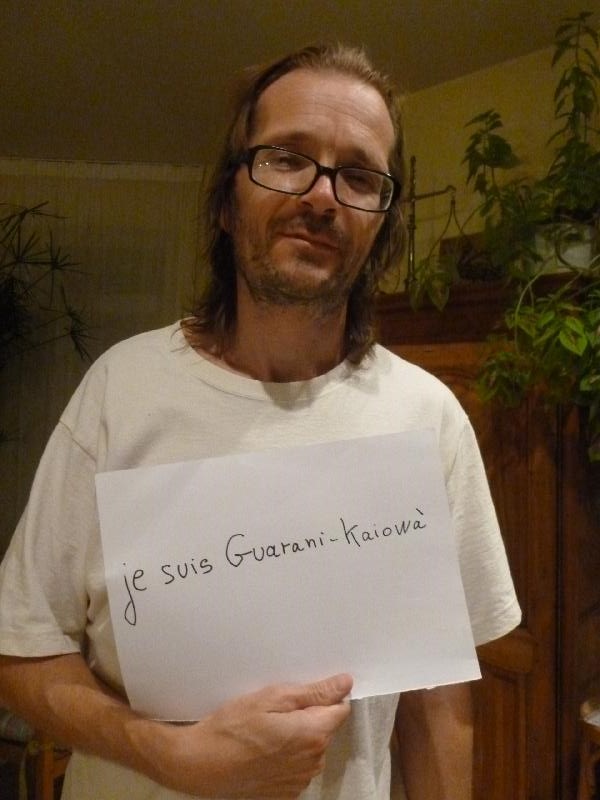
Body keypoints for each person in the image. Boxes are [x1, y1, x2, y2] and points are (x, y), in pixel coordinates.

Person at [0, 43, 520, 800]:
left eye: (359, 175)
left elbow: (437, 705)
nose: (322, 196)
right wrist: (168, 755)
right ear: (225, 200)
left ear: (383, 226)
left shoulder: (426, 418)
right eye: (286, 158)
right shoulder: (121, 390)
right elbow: (21, 650)